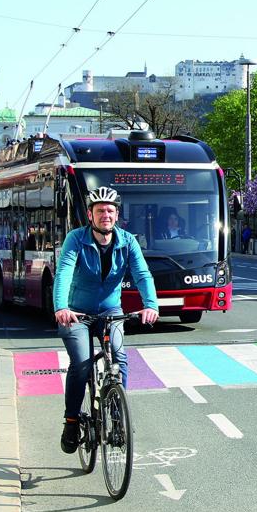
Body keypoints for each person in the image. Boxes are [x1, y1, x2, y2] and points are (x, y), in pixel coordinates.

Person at [53, 186, 159, 454]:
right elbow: (64, 272)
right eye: (100, 210)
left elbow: (142, 274)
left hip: (111, 311)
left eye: (110, 210)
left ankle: (117, 413)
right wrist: (61, 307)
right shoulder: (76, 239)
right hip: (77, 313)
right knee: (81, 363)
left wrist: (151, 305)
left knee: (119, 357)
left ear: (117, 215)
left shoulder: (128, 241)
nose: (106, 215)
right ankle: (71, 421)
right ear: (90, 215)